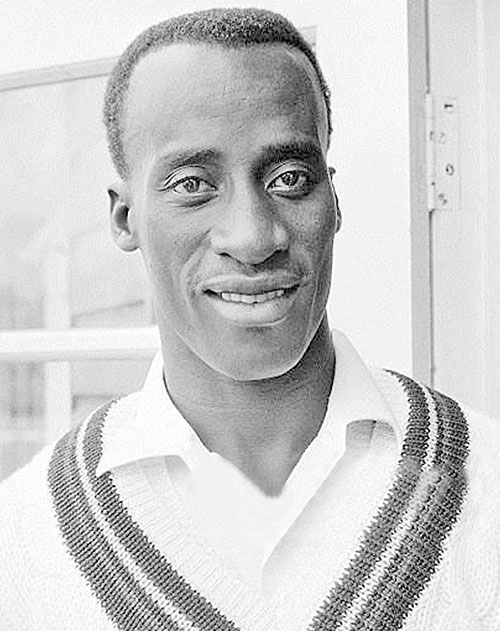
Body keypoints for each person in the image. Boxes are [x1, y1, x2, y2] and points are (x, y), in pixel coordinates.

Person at [1, 7, 499, 631]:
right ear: (125, 219)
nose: (253, 237)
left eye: (289, 178)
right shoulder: (23, 543)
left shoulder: (488, 489)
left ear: (333, 199)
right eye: (192, 184)